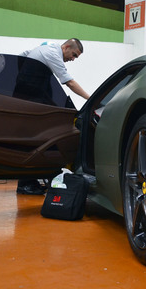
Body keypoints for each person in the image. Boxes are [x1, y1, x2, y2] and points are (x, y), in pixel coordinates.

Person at [16, 38, 89, 195]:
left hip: (30, 96)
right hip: (30, 98)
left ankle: (35, 179)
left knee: (37, 138)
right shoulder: (52, 53)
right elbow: (69, 82)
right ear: (67, 47)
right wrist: (90, 99)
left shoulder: (45, 47)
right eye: (74, 55)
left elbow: (22, 56)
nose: (73, 59)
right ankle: (25, 183)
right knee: (33, 139)